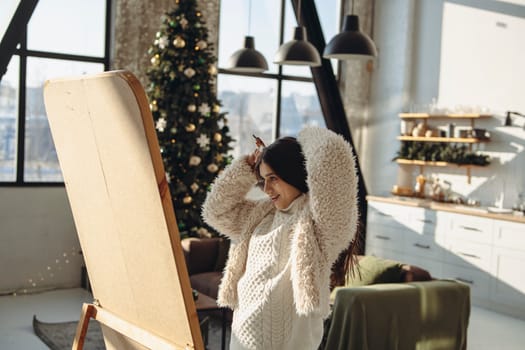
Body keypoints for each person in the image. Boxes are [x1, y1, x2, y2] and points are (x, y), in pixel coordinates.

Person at [202, 126, 359, 350]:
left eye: (273, 178)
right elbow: (214, 211)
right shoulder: (262, 214)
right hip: (241, 338)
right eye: (263, 179)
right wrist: (247, 167)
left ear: (294, 172)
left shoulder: (320, 223)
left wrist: (301, 139)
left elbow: (332, 152)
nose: (266, 188)